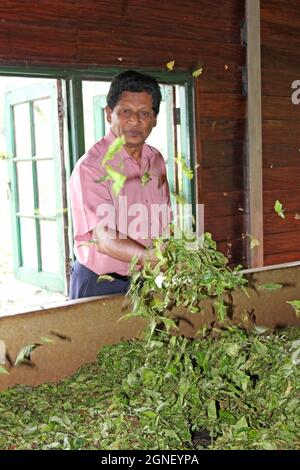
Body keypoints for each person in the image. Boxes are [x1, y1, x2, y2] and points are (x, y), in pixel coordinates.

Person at [69, 70, 171, 299]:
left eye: (144, 113)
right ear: (109, 114)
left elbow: (164, 222)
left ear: (154, 118)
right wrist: (157, 259)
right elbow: (104, 238)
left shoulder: (156, 160)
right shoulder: (92, 167)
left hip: (145, 279)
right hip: (99, 282)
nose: (135, 121)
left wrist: (172, 254)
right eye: (125, 111)